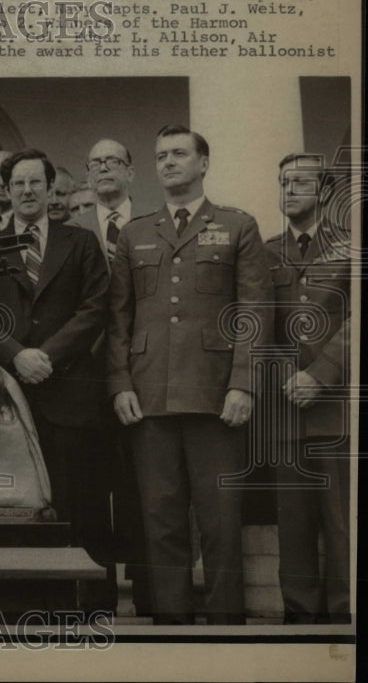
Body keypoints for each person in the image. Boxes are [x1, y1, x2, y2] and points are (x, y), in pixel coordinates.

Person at [107, 124, 271, 625]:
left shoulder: (237, 226)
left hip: (215, 396)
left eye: (180, 153)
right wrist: (120, 385)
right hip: (150, 395)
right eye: (161, 155)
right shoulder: (135, 232)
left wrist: (243, 383)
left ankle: (227, 627)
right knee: (161, 519)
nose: (169, 162)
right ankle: (172, 627)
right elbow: (118, 320)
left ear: (203, 163)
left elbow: (254, 312)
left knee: (221, 519)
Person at [0, 149, 114, 610]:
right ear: (6, 188)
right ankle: (26, 605)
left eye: (35, 183)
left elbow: (96, 308)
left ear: (49, 186)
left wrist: (48, 356)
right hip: (10, 396)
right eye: (17, 183)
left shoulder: (78, 242)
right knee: (20, 505)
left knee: (79, 503)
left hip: (70, 392)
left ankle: (91, 606)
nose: (26, 191)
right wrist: (17, 356)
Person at [266, 154, 351, 624]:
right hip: (283, 409)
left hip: (335, 407)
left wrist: (320, 375)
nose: (288, 189)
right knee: (292, 522)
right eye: (283, 182)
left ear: (323, 192)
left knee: (340, 522)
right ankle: (297, 618)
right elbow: (256, 325)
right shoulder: (264, 251)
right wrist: (285, 379)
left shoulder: (350, 247)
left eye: (299, 182)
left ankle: (345, 619)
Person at [70, 137, 150, 616]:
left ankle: (149, 592)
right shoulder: (72, 232)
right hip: (85, 383)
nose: (104, 169)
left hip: (143, 377)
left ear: (130, 171)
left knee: (144, 489)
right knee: (92, 492)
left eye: (113, 161)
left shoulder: (153, 225)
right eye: (95, 162)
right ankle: (97, 598)